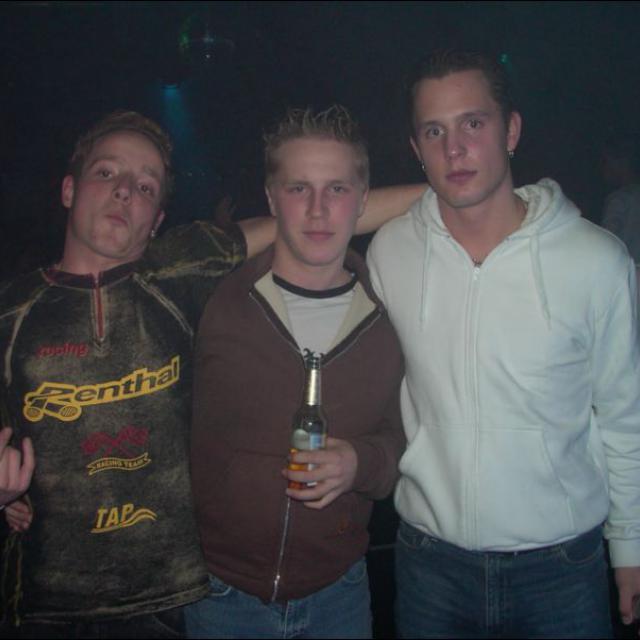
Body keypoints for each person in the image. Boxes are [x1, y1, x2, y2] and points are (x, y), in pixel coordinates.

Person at [0, 110, 419, 638]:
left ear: (158, 219)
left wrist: (460, 192)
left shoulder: (182, 278)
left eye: (145, 185)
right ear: (68, 188)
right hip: (45, 605)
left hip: (171, 601)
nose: (125, 190)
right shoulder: (11, 314)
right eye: (106, 173)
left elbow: (318, 213)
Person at [367, 49, 640, 639]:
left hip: (561, 569)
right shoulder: (391, 251)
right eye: (434, 131)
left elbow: (626, 417)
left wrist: (631, 547)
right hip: (430, 565)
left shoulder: (596, 261)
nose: (454, 149)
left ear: (511, 131)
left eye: (473, 122)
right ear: (416, 149)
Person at [186, 105, 405, 639]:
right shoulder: (214, 302)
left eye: (337, 189)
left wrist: (360, 463)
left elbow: (403, 441)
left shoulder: (389, 318)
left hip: (340, 594)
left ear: (363, 199)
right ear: (270, 198)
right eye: (298, 188)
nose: (317, 209)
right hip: (220, 595)